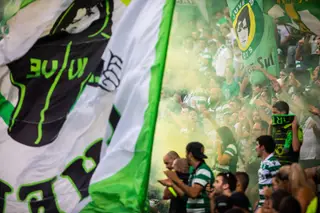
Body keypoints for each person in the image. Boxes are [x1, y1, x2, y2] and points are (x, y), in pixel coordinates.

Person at [164, 142, 214, 213]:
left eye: (186, 153)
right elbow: (187, 196)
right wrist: (172, 184)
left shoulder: (203, 170)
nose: (185, 156)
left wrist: (176, 180)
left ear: (190, 154)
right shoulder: (194, 171)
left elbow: (193, 194)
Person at [271, 101, 303, 165]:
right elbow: (269, 148)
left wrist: (294, 128)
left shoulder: (296, 128)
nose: (273, 115)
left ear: (283, 112)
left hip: (290, 168)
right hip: (276, 168)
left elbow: (296, 148)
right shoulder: (275, 128)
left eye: (275, 112)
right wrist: (270, 126)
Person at [255, 135, 281, 209]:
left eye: (257, 145)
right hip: (263, 203)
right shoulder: (264, 162)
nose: (255, 148)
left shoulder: (272, 163)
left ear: (262, 147)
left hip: (269, 205)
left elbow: (279, 185)